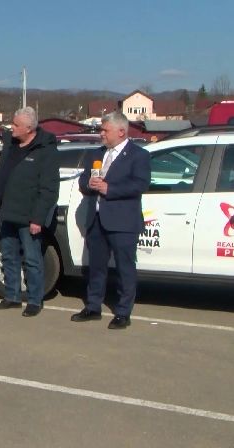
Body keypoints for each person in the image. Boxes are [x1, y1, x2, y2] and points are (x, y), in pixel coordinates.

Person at [72, 112, 150, 329]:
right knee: (96, 266)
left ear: (121, 131)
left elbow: (140, 184)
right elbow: (83, 181)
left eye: (105, 130)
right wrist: (89, 184)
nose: (101, 134)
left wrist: (110, 189)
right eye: (101, 129)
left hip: (123, 221)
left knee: (125, 268)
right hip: (97, 219)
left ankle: (123, 312)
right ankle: (93, 306)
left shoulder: (138, 155)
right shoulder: (97, 153)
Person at [0, 107, 59, 317]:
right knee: (9, 257)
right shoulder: (11, 145)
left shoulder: (45, 151)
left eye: (16, 124)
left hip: (29, 217)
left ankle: (34, 300)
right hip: (7, 212)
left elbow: (49, 189)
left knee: (32, 259)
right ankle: (12, 296)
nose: (12, 127)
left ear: (29, 128)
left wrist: (38, 218)